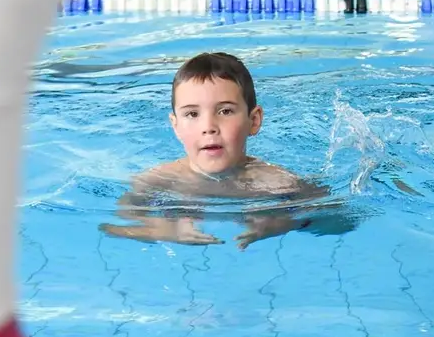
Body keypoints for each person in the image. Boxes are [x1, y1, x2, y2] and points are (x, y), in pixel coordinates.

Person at [99, 52, 347, 249]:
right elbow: (114, 225)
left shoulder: (276, 182)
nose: (209, 127)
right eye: (192, 114)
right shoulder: (159, 180)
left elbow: (340, 221)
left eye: (225, 111)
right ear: (175, 126)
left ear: (254, 121)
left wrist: (285, 223)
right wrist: (164, 230)